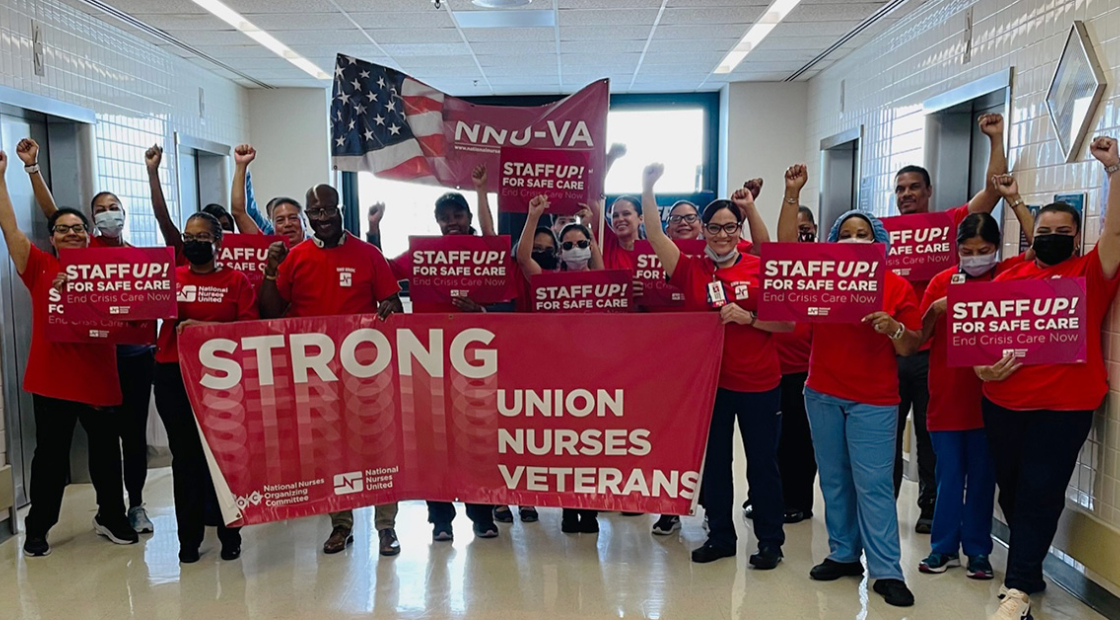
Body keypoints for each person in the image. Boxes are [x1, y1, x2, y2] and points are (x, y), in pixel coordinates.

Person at [981, 136, 1120, 620]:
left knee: (1041, 490)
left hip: (1064, 406)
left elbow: (1116, 235)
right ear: (1032, 233)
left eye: (1064, 230)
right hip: (1001, 401)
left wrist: (1113, 171)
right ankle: (1030, 568)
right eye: (1045, 229)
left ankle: (1016, 588)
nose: (1053, 235)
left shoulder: (1090, 274)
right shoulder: (1008, 276)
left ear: (1076, 237)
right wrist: (981, 366)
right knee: (1013, 490)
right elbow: (979, 336)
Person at [780, 164, 921, 607]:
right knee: (835, 479)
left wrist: (894, 328)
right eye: (847, 233)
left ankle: (886, 570)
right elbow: (785, 254)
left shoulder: (895, 287)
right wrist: (791, 193)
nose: (855, 240)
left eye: (864, 234)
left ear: (879, 243)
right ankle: (843, 553)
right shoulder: (821, 282)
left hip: (873, 400)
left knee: (874, 483)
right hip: (821, 392)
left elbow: (912, 345)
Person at [641, 162, 791, 568]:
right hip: (711, 387)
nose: (722, 235)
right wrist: (649, 185)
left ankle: (769, 542)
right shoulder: (690, 269)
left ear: (738, 231)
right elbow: (654, 234)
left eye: (729, 228)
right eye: (714, 227)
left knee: (763, 465)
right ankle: (720, 535)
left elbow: (788, 322)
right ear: (703, 231)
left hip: (760, 384)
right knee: (717, 467)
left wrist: (750, 318)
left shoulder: (759, 267)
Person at [15, 138, 158, 534]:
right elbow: (55, 215)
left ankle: (131, 507)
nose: (107, 215)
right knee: (71, 448)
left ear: (125, 214)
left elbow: (154, 300)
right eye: (100, 210)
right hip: (91, 362)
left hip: (130, 358)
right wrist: (32, 170)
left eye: (114, 208)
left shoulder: (139, 259)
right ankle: (49, 525)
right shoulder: (84, 251)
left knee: (126, 440)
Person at [260, 183, 405, 557]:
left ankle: (386, 527)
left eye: (329, 210)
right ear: (308, 217)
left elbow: (392, 304)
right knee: (331, 451)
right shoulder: (296, 257)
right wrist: (270, 273)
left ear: (340, 209)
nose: (323, 218)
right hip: (317, 376)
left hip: (366, 372)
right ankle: (340, 526)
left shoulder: (368, 254)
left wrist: (390, 308)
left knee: (379, 448)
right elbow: (272, 313)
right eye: (316, 213)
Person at [891, 113, 1007, 534]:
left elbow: (992, 193)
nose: (906, 194)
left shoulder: (948, 228)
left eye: (914, 187)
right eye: (900, 189)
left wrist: (994, 138)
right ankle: (884, 506)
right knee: (887, 436)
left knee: (928, 437)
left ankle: (930, 506)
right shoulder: (882, 237)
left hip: (933, 353)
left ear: (928, 192)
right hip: (893, 348)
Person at [915, 174, 1035, 581]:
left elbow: (1042, 251)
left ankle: (978, 551)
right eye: (967, 251)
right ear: (956, 251)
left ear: (997, 249)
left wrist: (1015, 201)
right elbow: (919, 336)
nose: (975, 257)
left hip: (992, 399)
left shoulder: (1008, 277)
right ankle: (942, 547)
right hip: (948, 395)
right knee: (949, 475)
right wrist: (937, 309)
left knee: (983, 478)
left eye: (984, 251)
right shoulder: (941, 281)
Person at [373, 167, 502, 540]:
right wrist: (376, 229)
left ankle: (482, 516)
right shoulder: (423, 253)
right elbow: (381, 269)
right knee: (435, 444)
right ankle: (441, 521)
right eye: (444, 218)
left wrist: (481, 312)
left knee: (477, 441)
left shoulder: (484, 251)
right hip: (429, 360)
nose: (451, 223)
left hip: (477, 361)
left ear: (468, 217)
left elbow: (506, 298)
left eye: (457, 216)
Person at [151, 212, 256, 563]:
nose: (195, 243)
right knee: (186, 460)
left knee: (226, 458)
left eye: (202, 236)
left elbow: (249, 329)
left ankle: (231, 535)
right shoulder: (169, 278)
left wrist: (203, 330)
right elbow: (135, 311)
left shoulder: (237, 281)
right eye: (189, 236)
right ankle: (188, 540)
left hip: (221, 380)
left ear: (219, 241)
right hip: (173, 375)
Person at [515, 194, 602, 532]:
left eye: (582, 244)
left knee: (592, 447)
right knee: (567, 447)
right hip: (558, 375)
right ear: (559, 250)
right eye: (569, 244)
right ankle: (568, 508)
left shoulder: (601, 282)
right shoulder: (548, 280)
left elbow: (598, 260)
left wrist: (591, 230)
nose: (576, 248)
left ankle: (591, 509)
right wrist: (534, 214)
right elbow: (524, 259)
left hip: (596, 374)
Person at [229, 144, 307, 247]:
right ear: (273, 227)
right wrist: (241, 166)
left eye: (293, 218)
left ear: (305, 223)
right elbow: (238, 212)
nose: (287, 224)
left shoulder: (318, 249)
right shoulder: (266, 248)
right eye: (280, 221)